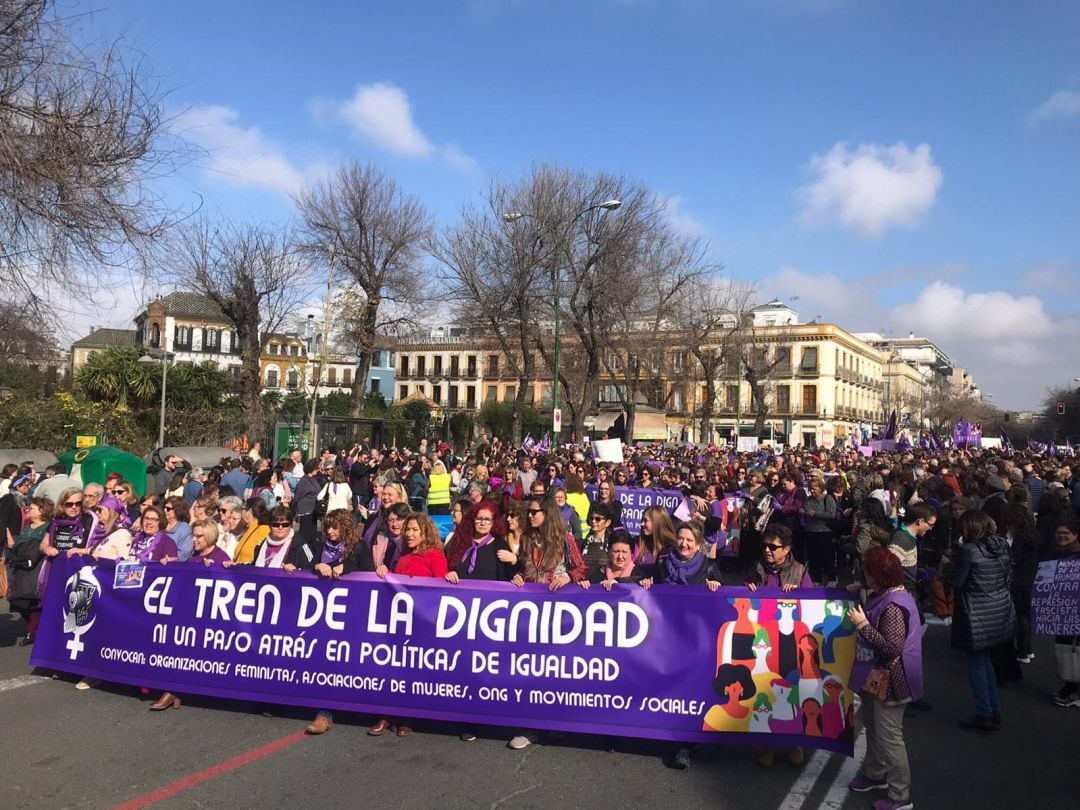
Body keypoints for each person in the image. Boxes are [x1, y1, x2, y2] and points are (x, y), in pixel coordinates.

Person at [640, 522, 721, 770]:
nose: (684, 544)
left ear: (698, 545)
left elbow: (722, 604)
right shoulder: (664, 562)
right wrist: (646, 583)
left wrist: (715, 588)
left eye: (689, 540)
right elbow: (650, 585)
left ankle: (684, 746)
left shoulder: (709, 567)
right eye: (681, 538)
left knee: (688, 691)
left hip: (694, 640)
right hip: (665, 635)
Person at [846, 547, 923, 810]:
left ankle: (900, 796)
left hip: (892, 680)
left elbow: (892, 648)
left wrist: (862, 625)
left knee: (890, 736)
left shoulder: (893, 606)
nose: (864, 574)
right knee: (874, 726)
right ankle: (875, 773)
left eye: (868, 572)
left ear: (878, 575)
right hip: (876, 677)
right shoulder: (887, 594)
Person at [369, 513, 447, 737]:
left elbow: (442, 591)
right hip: (399, 623)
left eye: (414, 530)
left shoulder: (434, 556)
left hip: (421, 625)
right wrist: (386, 573)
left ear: (425, 533)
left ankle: (408, 717)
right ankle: (386, 714)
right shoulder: (403, 555)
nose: (410, 534)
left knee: (412, 673)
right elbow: (397, 585)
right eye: (408, 530)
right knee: (392, 670)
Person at [304, 509, 376, 735]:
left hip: (354, 612)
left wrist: (347, 568)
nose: (331, 532)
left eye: (335, 528)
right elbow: (311, 566)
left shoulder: (358, 547)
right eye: (328, 527)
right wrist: (317, 566)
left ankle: (361, 705)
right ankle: (325, 712)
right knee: (327, 659)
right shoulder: (322, 546)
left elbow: (369, 573)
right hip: (325, 613)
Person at [944, 510, 1016, 732]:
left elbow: (958, 581)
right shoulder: (1002, 545)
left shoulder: (968, 551)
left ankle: (984, 712)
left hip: (975, 609)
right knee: (986, 661)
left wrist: (946, 567)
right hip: (999, 606)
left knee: (976, 662)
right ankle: (993, 708)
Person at [8, 496, 52, 646]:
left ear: (42, 510)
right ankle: (33, 627)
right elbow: (16, 545)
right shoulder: (27, 527)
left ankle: (33, 630)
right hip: (21, 566)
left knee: (32, 599)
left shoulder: (47, 527)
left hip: (36, 567)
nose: (28, 510)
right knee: (16, 599)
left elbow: (39, 548)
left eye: (31, 508)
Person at [1049, 518, 1080, 706]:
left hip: (1076, 609)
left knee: (1076, 650)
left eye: (1066, 532)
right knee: (1064, 649)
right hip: (1062, 609)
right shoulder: (1055, 553)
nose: (1061, 535)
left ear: (1075, 535)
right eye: (1058, 532)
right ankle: (1069, 685)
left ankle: (1075, 691)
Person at [745, 524, 812, 592]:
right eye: (764, 546)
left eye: (772, 547)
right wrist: (747, 588)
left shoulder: (799, 571)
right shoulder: (757, 567)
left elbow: (811, 597)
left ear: (786, 549)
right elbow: (740, 596)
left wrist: (797, 592)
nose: (767, 550)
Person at [801, 478, 838, 586]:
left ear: (820, 488)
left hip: (825, 532)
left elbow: (831, 514)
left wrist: (815, 514)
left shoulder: (828, 498)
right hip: (811, 531)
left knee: (827, 556)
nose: (812, 491)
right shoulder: (808, 499)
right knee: (813, 557)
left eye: (814, 489)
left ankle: (831, 578)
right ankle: (816, 579)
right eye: (810, 489)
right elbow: (806, 510)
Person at [636, 505, 676, 576]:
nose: (641, 524)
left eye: (645, 520)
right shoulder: (638, 543)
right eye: (642, 520)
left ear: (657, 522)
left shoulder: (672, 547)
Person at [293, 459, 323, 544]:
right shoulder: (304, 481)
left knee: (312, 534)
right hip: (305, 511)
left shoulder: (314, 479)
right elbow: (297, 496)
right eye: (317, 468)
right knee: (305, 534)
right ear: (312, 469)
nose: (318, 470)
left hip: (313, 510)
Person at [163, 496, 192, 561]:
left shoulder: (184, 528)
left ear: (178, 510)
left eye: (168, 509)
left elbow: (184, 554)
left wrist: (169, 558)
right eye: (164, 507)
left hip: (175, 566)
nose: (164, 510)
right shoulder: (160, 524)